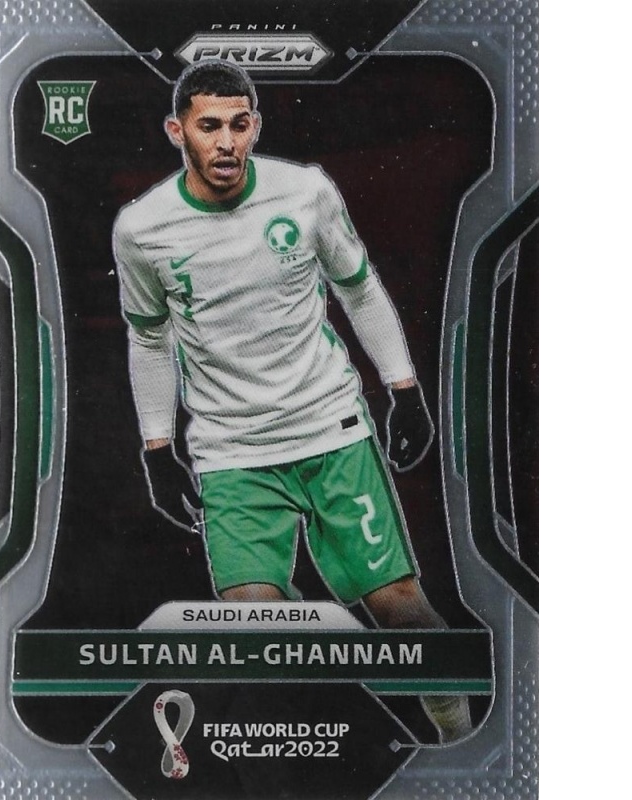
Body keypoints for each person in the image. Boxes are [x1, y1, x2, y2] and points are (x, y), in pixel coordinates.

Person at [113, 60, 471, 743]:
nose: (226, 142)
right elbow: (150, 338)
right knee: (254, 628)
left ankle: (458, 741)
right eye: (209, 126)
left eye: (239, 125)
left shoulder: (304, 192)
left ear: (255, 126)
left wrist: (404, 390)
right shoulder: (142, 228)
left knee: (402, 612)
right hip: (232, 454)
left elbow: (358, 287)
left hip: (330, 431)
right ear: (177, 131)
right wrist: (156, 447)